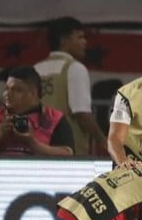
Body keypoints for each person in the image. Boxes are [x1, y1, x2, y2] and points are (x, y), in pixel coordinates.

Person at [0, 66, 75, 157]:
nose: (7, 94)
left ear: (33, 93)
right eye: (6, 88)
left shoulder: (55, 118)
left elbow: (67, 155)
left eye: (17, 90)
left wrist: (32, 143)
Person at [35, 17, 106, 156]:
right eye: (79, 37)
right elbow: (81, 113)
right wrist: (103, 140)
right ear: (64, 41)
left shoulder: (36, 69)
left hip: (38, 148)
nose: (84, 42)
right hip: (69, 151)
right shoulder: (75, 68)